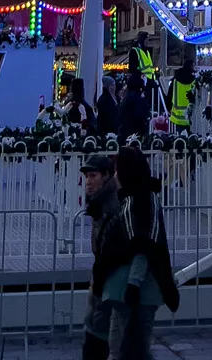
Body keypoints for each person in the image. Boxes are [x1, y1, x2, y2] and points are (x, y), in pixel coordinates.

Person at [93, 144, 178, 360]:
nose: (116, 174)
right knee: (129, 349)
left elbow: (143, 246)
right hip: (132, 291)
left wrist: (133, 284)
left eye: (118, 169)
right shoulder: (135, 199)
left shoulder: (137, 201)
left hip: (135, 291)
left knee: (125, 349)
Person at [80, 149, 121, 360]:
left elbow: (110, 254)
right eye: (87, 176)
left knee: (98, 343)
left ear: (106, 176)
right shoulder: (99, 205)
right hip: (101, 285)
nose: (88, 181)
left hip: (107, 288)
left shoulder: (110, 207)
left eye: (93, 176)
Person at [117, 71, 149, 140]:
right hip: (135, 132)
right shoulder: (136, 97)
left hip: (127, 130)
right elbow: (139, 114)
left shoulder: (128, 95)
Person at [166, 64, 194, 135]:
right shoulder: (193, 81)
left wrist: (168, 107)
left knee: (180, 139)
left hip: (178, 117)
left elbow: (169, 95)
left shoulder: (175, 81)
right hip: (191, 116)